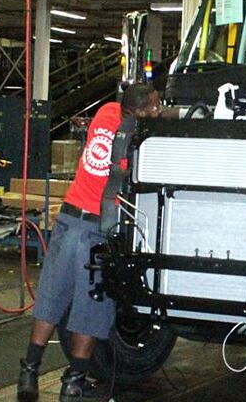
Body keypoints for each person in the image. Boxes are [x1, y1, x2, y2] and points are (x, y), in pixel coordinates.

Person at [17, 83, 162, 402]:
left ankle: (29, 371)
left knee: (51, 296)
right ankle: (74, 381)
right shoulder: (134, 139)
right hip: (96, 231)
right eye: (153, 107)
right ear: (138, 113)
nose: (158, 110)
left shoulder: (105, 112)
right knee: (91, 306)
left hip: (68, 219)